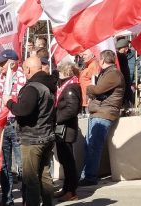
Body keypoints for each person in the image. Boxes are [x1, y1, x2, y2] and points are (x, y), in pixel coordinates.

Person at [4, 56, 55, 206]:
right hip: (46, 135)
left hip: (33, 138)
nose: (23, 71)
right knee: (45, 175)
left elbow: (24, 110)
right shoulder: (48, 85)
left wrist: (9, 103)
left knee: (31, 179)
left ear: (28, 69)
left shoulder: (33, 87)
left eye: (24, 69)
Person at [79, 50, 125, 186]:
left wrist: (88, 88)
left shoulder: (113, 74)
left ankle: (90, 177)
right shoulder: (109, 73)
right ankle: (87, 175)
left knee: (94, 146)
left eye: (99, 59)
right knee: (89, 145)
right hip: (99, 112)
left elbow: (98, 90)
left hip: (104, 113)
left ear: (103, 61)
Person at [0, 49, 26, 206]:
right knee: (5, 164)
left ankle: (28, 198)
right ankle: (7, 199)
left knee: (23, 164)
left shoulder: (21, 77)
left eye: (2, 63)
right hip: (3, 123)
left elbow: (19, 103)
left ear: (12, 63)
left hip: (16, 123)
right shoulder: (2, 77)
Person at [54, 63, 82, 202]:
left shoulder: (71, 87)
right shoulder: (67, 85)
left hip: (66, 129)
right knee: (65, 161)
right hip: (63, 129)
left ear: (65, 72)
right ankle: (66, 188)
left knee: (68, 161)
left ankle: (71, 191)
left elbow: (72, 109)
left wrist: (56, 119)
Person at [116, 39, 133, 109]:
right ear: (125, 48)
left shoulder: (117, 56)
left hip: (123, 84)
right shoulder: (122, 57)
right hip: (124, 84)